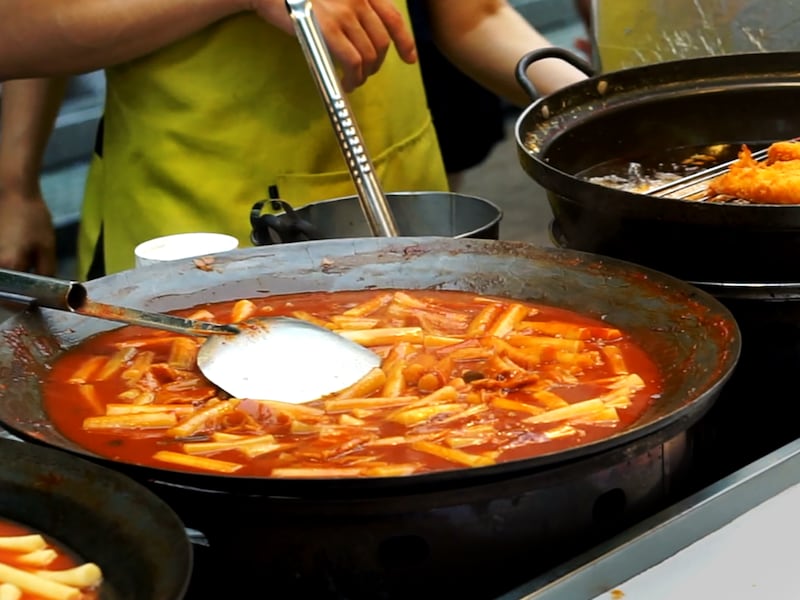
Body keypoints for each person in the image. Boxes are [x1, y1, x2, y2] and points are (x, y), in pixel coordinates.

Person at [0, 0, 587, 279]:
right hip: (193, 233)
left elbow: (476, 18)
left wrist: (600, 111)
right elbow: (16, 32)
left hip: (406, 209)